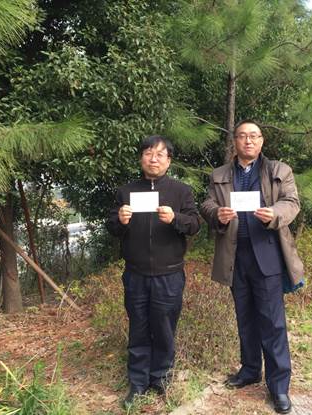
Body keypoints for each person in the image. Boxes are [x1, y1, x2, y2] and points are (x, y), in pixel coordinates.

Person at [200, 120, 304, 414]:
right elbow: (206, 204)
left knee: (272, 322)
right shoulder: (220, 174)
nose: (248, 141)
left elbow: (292, 202)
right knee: (244, 317)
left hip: (267, 255)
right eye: (243, 136)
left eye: (254, 136)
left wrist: (274, 213)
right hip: (235, 256)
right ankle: (249, 370)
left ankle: (279, 386)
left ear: (262, 141)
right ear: (235, 141)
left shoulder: (278, 170)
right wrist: (217, 214)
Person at [109, 135, 200, 406]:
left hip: (169, 274)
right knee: (138, 326)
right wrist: (120, 220)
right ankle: (137, 382)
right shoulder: (126, 191)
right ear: (141, 158)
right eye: (148, 153)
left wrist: (175, 218)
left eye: (160, 154)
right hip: (135, 273)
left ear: (168, 161)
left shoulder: (181, 191)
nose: (154, 159)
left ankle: (161, 378)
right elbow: (112, 227)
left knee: (164, 327)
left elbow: (194, 224)